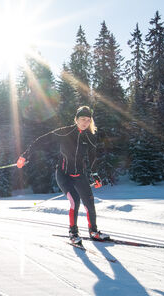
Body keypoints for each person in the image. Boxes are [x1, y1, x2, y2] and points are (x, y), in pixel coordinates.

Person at [16, 105, 110, 244]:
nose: (85, 122)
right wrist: (24, 156)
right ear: (76, 119)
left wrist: (95, 175)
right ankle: (73, 233)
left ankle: (94, 232)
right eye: (83, 119)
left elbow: (92, 158)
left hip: (80, 175)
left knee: (89, 203)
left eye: (88, 120)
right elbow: (41, 140)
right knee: (75, 201)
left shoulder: (90, 137)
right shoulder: (65, 132)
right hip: (63, 175)